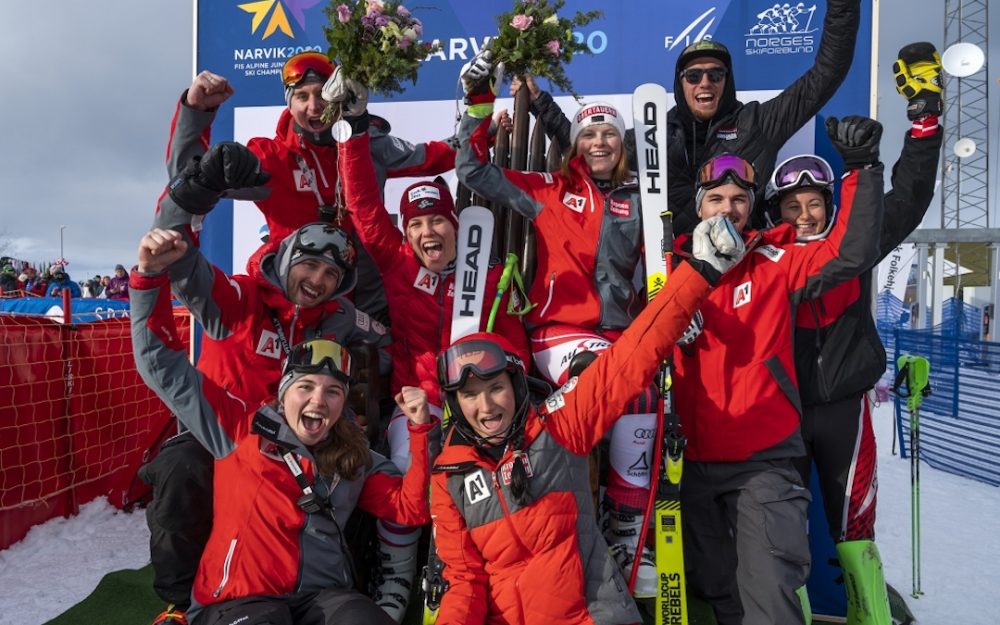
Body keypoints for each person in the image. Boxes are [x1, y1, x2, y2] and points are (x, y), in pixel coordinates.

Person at [429, 213, 745, 625]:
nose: (486, 406)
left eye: (496, 389)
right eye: (470, 396)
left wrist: (699, 273)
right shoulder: (449, 475)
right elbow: (464, 581)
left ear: (517, 387)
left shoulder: (557, 427)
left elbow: (632, 356)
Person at [131, 227, 434, 625]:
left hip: (321, 598)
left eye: (332, 392)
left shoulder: (353, 449)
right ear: (285, 390)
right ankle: (177, 605)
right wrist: (151, 275)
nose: (319, 280)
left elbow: (408, 507)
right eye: (306, 386)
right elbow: (163, 358)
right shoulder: (243, 417)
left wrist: (419, 429)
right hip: (233, 461)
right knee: (182, 466)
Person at [454, 58, 669, 595]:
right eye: (589, 134)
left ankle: (624, 529)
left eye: (609, 134)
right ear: (574, 144)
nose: (599, 142)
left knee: (643, 394)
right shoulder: (547, 189)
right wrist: (480, 100)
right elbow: (473, 171)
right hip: (560, 335)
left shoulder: (640, 199)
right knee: (599, 381)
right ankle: (555, 526)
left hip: (619, 335)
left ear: (623, 144)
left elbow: (665, 261)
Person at [323, 70, 531, 615]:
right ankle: (397, 573)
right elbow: (365, 208)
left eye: (437, 220)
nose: (427, 233)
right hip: (416, 402)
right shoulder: (397, 265)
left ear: (458, 226)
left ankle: (473, 567)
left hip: (479, 402)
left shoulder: (484, 277)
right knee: (405, 466)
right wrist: (353, 127)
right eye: (416, 225)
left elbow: (517, 350)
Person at [670, 116, 884, 625]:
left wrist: (860, 169)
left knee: (770, 600)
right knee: (718, 595)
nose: (728, 209)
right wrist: (668, 312)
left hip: (762, 463)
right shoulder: (669, 269)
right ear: (698, 207)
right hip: (690, 465)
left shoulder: (776, 260)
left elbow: (849, 253)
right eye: (717, 199)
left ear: (751, 210)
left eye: (739, 200)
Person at [764, 43, 943, 625]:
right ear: (777, 212)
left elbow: (909, 198)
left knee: (853, 525)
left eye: (815, 204)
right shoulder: (762, 257)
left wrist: (924, 123)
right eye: (793, 206)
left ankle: (869, 617)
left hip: (844, 407)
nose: (806, 216)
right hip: (781, 410)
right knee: (781, 530)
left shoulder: (856, 247)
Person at [509, 0, 860, 235]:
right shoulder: (653, 132)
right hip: (668, 271)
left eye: (715, 74)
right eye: (693, 76)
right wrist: (540, 102)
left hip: (738, 269)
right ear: (680, 84)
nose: (704, 82)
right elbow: (589, 149)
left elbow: (826, 74)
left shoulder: (758, 123)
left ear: (727, 80)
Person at [164, 52, 456, 323]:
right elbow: (188, 179)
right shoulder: (271, 159)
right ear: (289, 104)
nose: (314, 106)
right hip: (304, 305)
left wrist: (487, 127)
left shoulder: (366, 144)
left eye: (321, 95)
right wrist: (196, 111)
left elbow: (433, 156)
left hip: (370, 305)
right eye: (302, 96)